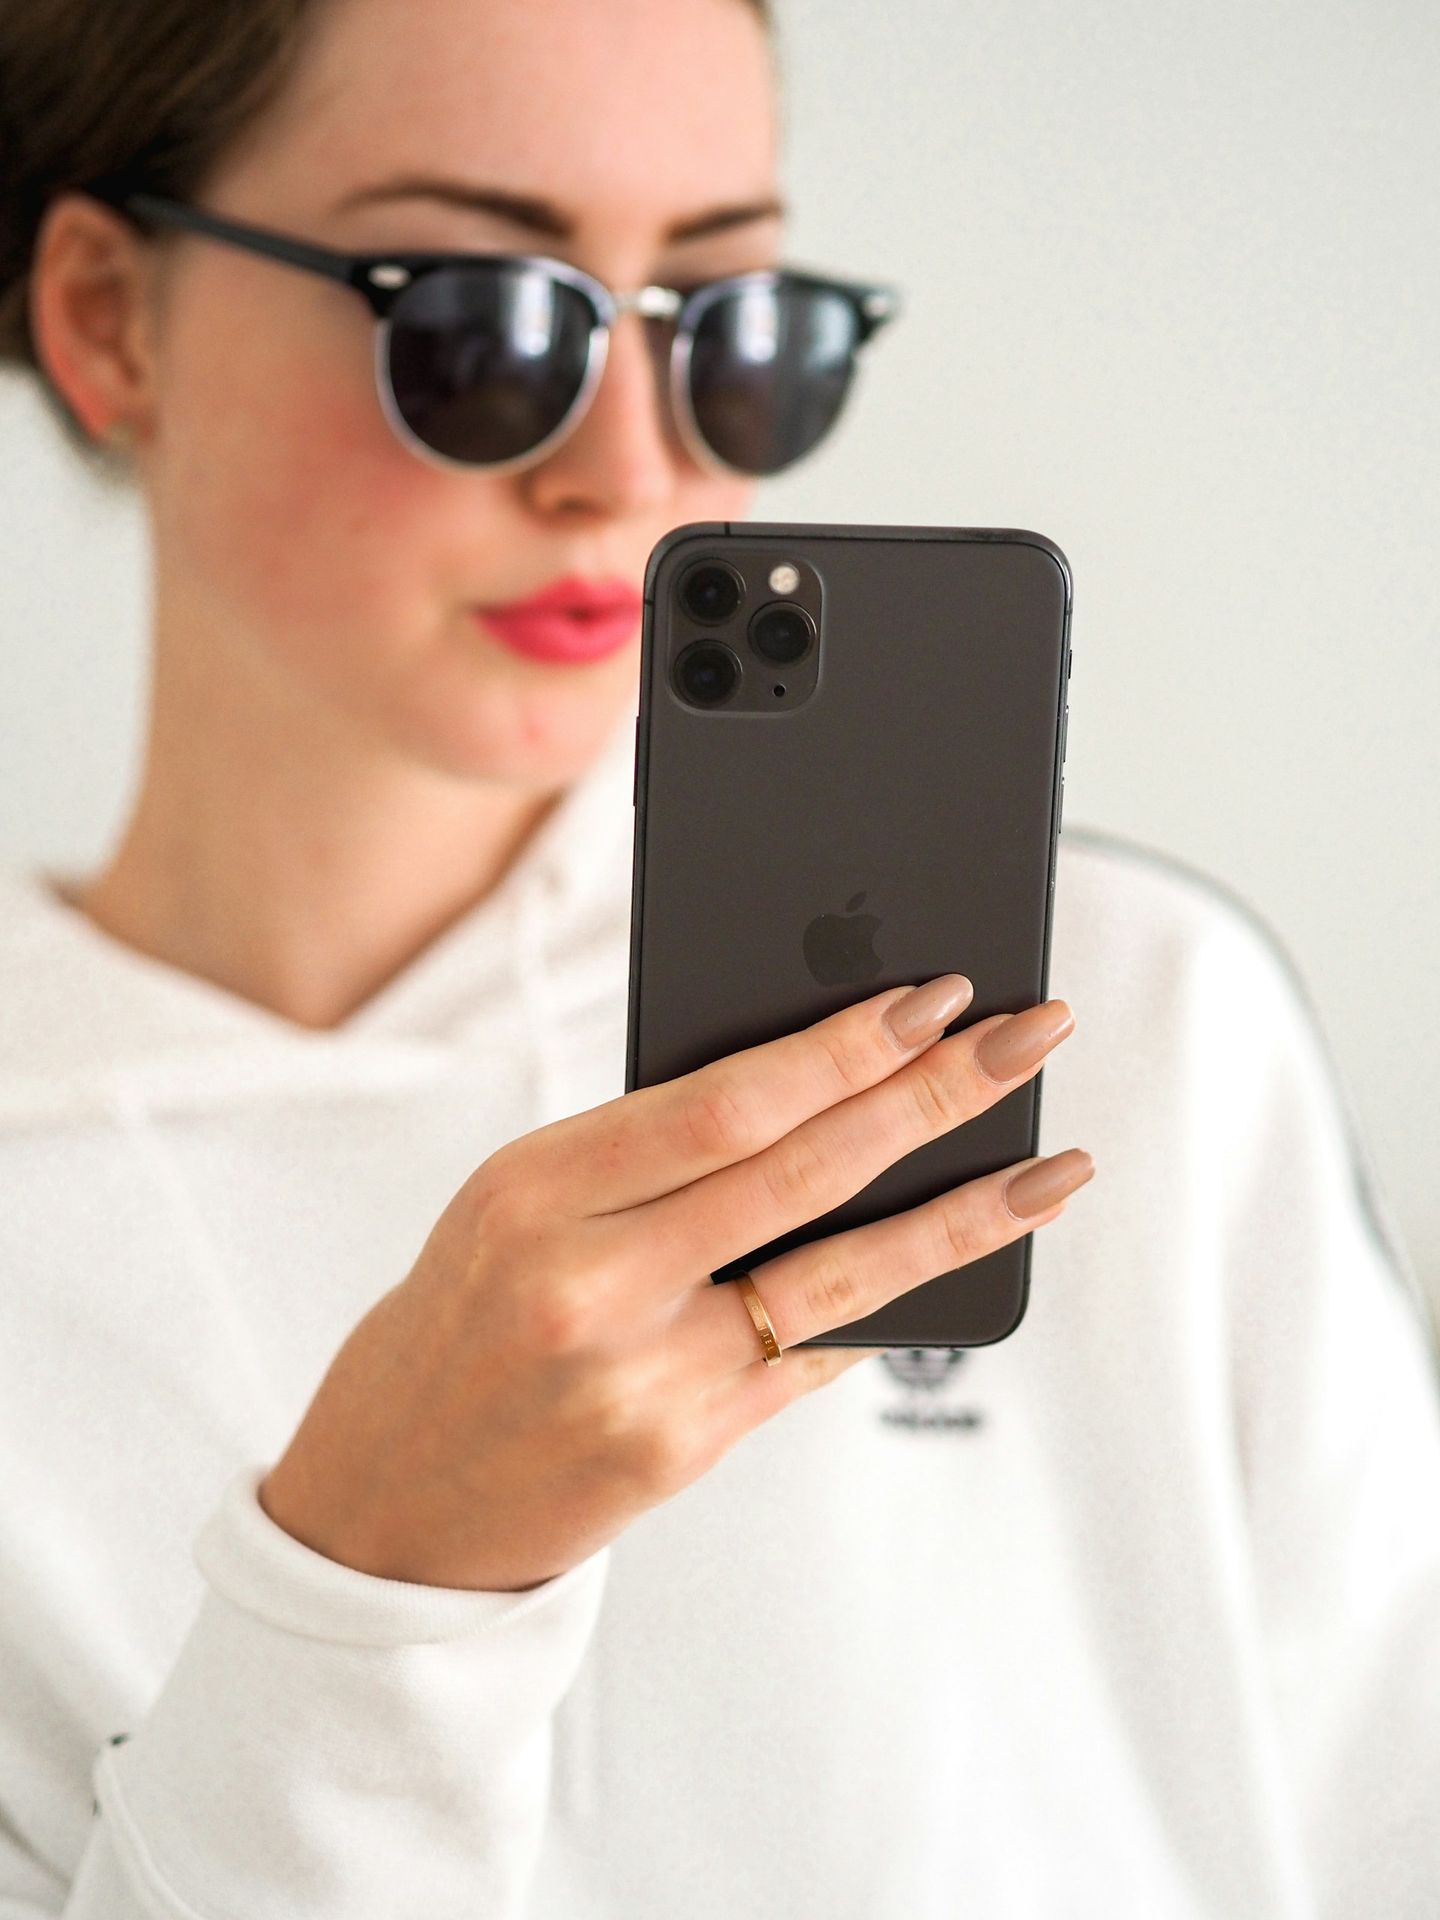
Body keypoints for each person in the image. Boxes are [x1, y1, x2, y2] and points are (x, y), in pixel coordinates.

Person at [1, 0, 1437, 1913]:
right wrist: (369, 1585)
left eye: (729, 329)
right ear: (108, 318)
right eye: (484, 323)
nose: (631, 461)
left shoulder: (1109, 1013)